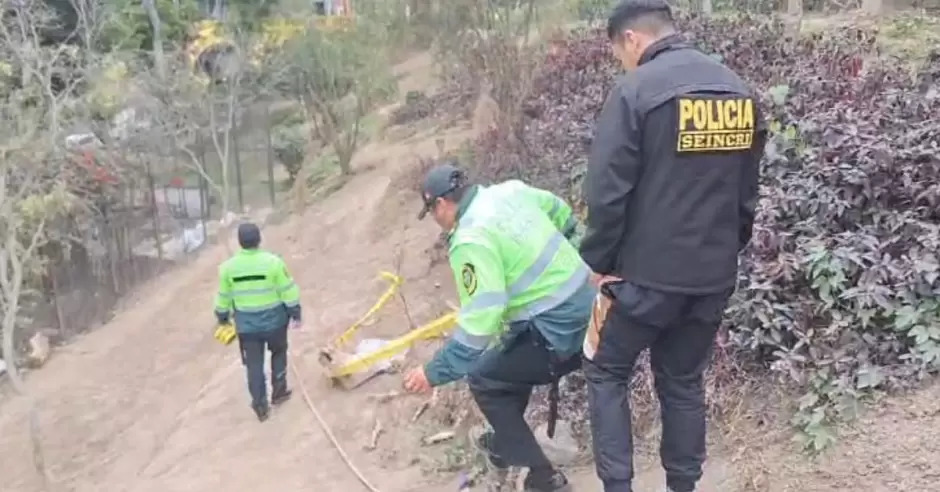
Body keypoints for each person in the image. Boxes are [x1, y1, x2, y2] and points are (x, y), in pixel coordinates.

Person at [578, 1, 767, 491]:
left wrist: (600, 262)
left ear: (632, 40)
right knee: (682, 382)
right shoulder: (737, 90)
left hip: (642, 279)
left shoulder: (636, 91)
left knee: (604, 371)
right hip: (711, 278)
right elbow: (747, 191)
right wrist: (726, 253)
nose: (623, 61)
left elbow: (606, 192)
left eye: (621, 52)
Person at [402, 162, 594, 492]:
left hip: (561, 336)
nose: (436, 220)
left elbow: (481, 321)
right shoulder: (510, 191)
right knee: (505, 357)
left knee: (484, 377)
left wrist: (434, 372)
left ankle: (544, 478)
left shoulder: (469, 239)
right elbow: (562, 213)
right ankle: (505, 444)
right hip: (594, 311)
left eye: (432, 212)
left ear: (442, 204)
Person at [214, 223, 303, 422]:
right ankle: (279, 392)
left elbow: (223, 297)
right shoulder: (273, 262)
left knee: (254, 365)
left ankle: (260, 406)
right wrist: (295, 312)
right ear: (259, 239)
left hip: (247, 326)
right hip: (275, 321)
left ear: (239, 242)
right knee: (279, 353)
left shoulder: (227, 268)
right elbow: (288, 289)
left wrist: (222, 317)